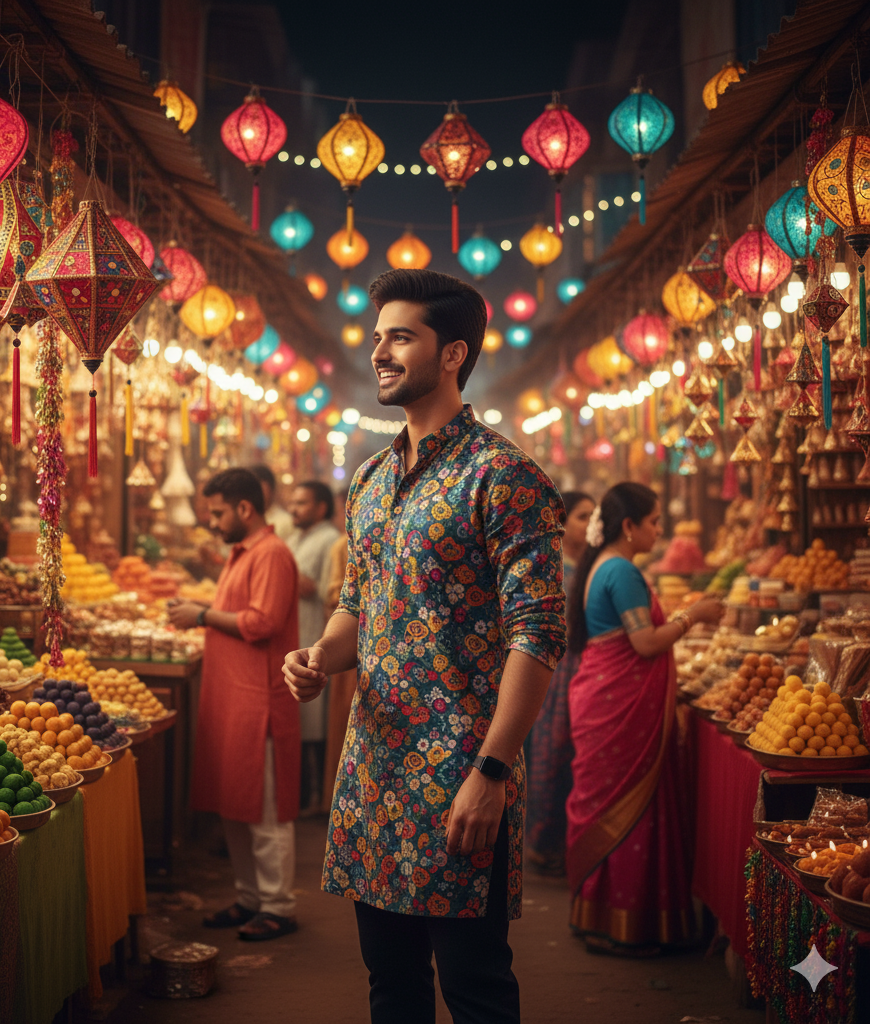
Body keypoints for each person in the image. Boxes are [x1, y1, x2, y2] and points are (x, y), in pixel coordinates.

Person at [283, 268, 567, 1024]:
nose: (380, 351)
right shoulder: (370, 480)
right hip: (373, 776)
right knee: (392, 988)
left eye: (400, 336)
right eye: (378, 337)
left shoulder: (505, 478)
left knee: (475, 989)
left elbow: (537, 636)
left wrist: (494, 772)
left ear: (452, 353)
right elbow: (359, 606)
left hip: (460, 781)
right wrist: (318, 658)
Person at [564, 482, 723, 957]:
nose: (659, 529)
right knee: (631, 807)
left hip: (607, 697)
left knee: (620, 804)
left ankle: (600, 915)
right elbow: (646, 644)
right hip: (620, 706)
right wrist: (695, 615)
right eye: (654, 521)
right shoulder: (622, 571)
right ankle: (628, 927)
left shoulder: (603, 567)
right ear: (629, 526)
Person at [170, 468, 301, 941]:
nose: (214, 521)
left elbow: (261, 621)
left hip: (257, 703)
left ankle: (278, 905)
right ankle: (250, 898)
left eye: (219, 512)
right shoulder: (241, 553)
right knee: (234, 805)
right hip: (231, 700)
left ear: (245, 509)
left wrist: (201, 614)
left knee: (264, 811)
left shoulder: (271, 554)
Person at [523, 490, 595, 877]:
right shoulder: (551, 567)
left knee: (571, 756)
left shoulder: (587, 565)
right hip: (555, 670)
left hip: (581, 669)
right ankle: (542, 841)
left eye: (593, 516)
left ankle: (564, 841)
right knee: (549, 753)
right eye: (583, 516)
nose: (590, 524)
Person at [286, 480, 341, 812]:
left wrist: (280, 568)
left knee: (316, 722)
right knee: (303, 720)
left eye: (302, 503)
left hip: (319, 637)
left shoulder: (331, 541)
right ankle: (306, 794)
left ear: (321, 508)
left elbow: (325, 593)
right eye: (292, 502)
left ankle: (319, 797)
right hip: (296, 636)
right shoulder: (297, 538)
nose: (294, 509)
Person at [319, 530, 355, 813]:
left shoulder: (340, 544)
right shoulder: (344, 544)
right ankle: (336, 801)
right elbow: (346, 601)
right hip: (351, 649)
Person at [249, 463, 295, 541]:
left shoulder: (285, 522)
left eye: (259, 489)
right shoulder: (247, 520)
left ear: (271, 489)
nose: (254, 494)